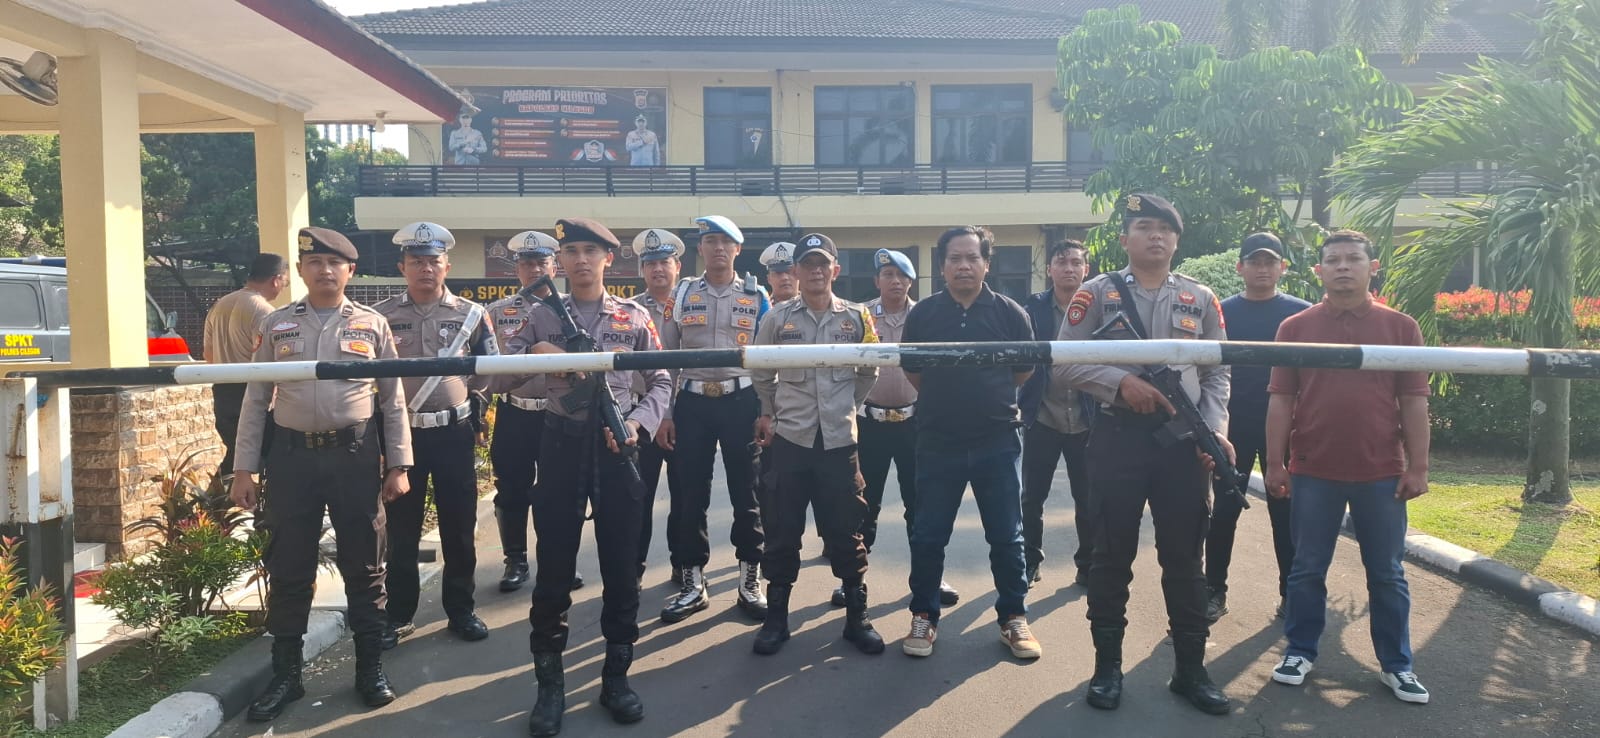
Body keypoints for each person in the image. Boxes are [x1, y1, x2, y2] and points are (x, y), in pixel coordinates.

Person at [1056, 193, 1233, 715]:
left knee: (1186, 558)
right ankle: (1107, 668)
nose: (1156, 236)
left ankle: (1191, 670)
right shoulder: (1095, 293)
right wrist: (1120, 383)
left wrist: (1214, 430)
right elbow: (1064, 363)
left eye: (1166, 228)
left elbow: (1218, 371)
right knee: (1111, 555)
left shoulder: (1201, 298)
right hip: (1119, 440)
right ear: (1124, 238)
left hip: (1183, 444)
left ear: (1177, 240)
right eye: (1145, 226)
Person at [231, 227, 411, 721]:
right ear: (300, 270)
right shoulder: (277, 325)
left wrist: (398, 464)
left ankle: (369, 669)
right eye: (314, 262)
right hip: (292, 460)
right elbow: (255, 398)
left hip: (354, 456)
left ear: (350, 270)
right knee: (289, 565)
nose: (325, 270)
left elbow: (393, 399)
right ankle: (286, 675)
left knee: (365, 564)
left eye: (334, 263)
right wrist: (244, 468)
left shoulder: (372, 324)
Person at [507, 218, 673, 735]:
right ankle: (550, 686)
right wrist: (536, 356)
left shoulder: (633, 316)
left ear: (608, 259)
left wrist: (639, 425)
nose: (580, 260)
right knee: (554, 568)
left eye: (590, 251)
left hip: (617, 447)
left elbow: (661, 378)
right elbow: (498, 375)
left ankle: (615, 679)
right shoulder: (539, 315)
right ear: (560, 260)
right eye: (572, 251)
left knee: (621, 566)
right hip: (560, 444)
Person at [1266, 229, 1433, 705]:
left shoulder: (1401, 327)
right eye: (1333, 259)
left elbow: (1414, 401)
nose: (1343, 266)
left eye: (1353, 259)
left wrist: (1418, 466)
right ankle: (1299, 651)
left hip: (1381, 472)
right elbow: (1281, 400)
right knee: (1306, 568)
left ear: (1372, 267)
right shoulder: (1295, 328)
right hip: (1313, 469)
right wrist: (1275, 463)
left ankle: (1397, 665)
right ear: (1318, 270)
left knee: (1387, 573)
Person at [899, 226, 1040, 662]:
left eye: (972, 258)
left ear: (986, 264)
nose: (964, 266)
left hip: (997, 439)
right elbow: (914, 372)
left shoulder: (1011, 313)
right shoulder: (923, 315)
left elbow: (1023, 371)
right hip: (937, 440)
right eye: (955, 258)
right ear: (941, 266)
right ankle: (924, 615)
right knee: (928, 535)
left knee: (1007, 536)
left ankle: (1013, 617)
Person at [749, 233, 884, 656]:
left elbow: (870, 369)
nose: (815, 271)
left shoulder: (858, 317)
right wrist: (769, 410)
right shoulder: (777, 318)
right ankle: (776, 618)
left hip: (840, 442)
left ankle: (857, 617)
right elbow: (759, 368)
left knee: (846, 529)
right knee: (782, 529)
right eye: (808, 264)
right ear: (796, 271)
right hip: (791, 440)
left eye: (823, 264)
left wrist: (848, 408)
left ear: (835, 270)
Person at [372, 222, 498, 647]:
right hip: (402, 435)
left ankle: (461, 609)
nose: (425, 269)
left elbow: (490, 367)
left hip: (453, 432)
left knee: (459, 525)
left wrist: (476, 405)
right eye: (416, 262)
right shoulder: (382, 316)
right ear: (402, 267)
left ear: (447, 266)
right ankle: (399, 613)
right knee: (401, 530)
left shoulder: (472, 314)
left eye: (433, 261)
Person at [657, 215, 769, 623]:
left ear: (738, 249)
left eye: (725, 241)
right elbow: (666, 360)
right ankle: (692, 583)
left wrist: (767, 410)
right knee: (690, 495)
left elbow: (767, 360)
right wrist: (666, 413)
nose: (718, 248)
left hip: (742, 402)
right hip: (693, 404)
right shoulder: (682, 294)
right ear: (700, 248)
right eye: (710, 241)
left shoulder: (758, 296)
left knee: (748, 494)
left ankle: (749, 580)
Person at [838, 248, 958, 609]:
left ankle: (929, 576)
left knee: (922, 505)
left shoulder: (925, 315)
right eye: (888, 275)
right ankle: (853, 579)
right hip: (870, 422)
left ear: (911, 281)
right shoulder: (859, 315)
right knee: (863, 504)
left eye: (902, 276)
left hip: (915, 423)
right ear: (877, 280)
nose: (895, 281)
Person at [1204, 232, 1311, 622]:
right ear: (1240, 267)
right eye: (1254, 262)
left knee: (1286, 513)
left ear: (1283, 267)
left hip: (1288, 427)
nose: (1262, 269)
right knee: (1223, 511)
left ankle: (1291, 594)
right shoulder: (1221, 312)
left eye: (1270, 262)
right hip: (1233, 426)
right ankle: (1214, 590)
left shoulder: (1302, 315)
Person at [486, 231, 586, 594]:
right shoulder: (497, 313)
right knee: (511, 489)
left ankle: (559, 562)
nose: (534, 270)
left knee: (559, 492)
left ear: (554, 267)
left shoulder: (572, 310)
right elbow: (486, 368)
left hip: (559, 414)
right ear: (517, 269)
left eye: (541, 263)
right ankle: (515, 560)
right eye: (527, 263)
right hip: (515, 413)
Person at [1020, 240, 1093, 589]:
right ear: (1049, 269)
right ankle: (1030, 559)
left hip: (1087, 416)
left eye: (1076, 263)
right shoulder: (1031, 308)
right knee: (1032, 496)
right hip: (1042, 415)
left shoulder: (1097, 306)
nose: (1069, 269)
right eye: (1061, 262)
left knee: (1088, 497)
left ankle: (1088, 563)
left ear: (1086, 270)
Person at [631, 228, 685, 587]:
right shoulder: (630, 310)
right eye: (650, 263)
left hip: (685, 414)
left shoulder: (691, 304)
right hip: (642, 415)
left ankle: (684, 565)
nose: (658, 269)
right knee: (638, 495)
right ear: (642, 270)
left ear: (677, 266)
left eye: (664, 261)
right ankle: (633, 567)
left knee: (685, 495)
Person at [203, 252, 287, 477]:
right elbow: (270, 359)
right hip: (253, 394)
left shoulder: (219, 305)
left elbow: (208, 354)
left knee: (237, 454)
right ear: (276, 280)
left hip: (222, 392)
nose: (283, 288)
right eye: (285, 283)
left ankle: (219, 497)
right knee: (265, 458)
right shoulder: (265, 312)